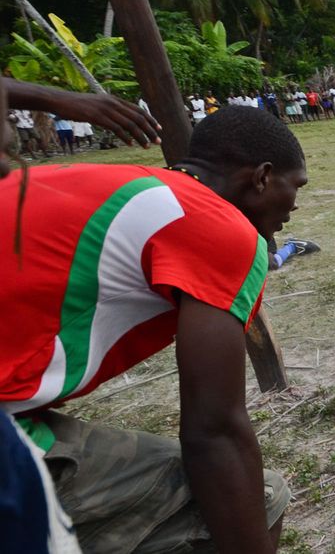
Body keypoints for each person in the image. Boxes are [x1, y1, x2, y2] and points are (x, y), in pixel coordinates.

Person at [1, 106, 303, 552]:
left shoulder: (112, 183)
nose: (294, 207)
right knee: (261, 498)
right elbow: (213, 431)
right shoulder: (220, 228)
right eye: (295, 187)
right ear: (261, 177)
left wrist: (57, 98)